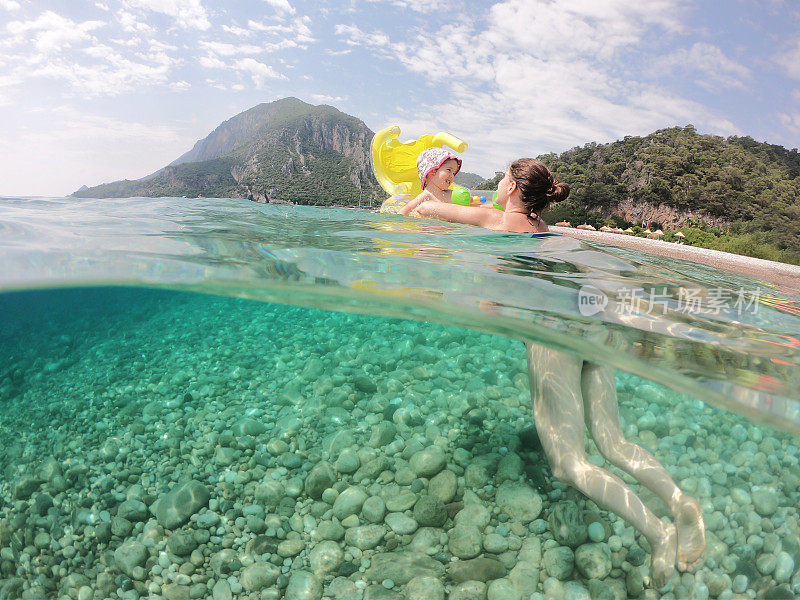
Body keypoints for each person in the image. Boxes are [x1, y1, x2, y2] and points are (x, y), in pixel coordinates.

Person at [402, 158, 568, 233]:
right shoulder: (541, 225)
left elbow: (425, 208)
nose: (499, 184)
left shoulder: (495, 218)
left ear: (511, 188)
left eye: (503, 178)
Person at [397, 147, 463, 216]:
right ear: (432, 171)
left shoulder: (451, 194)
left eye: (453, 173)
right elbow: (403, 213)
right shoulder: (425, 197)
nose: (452, 176)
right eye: (449, 170)